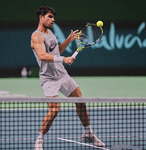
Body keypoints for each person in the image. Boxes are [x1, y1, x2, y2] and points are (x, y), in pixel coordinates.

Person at [31, 5, 105, 150]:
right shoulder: (36, 36)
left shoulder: (50, 32)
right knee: (54, 110)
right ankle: (39, 140)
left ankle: (88, 133)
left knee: (80, 101)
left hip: (62, 74)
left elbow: (56, 51)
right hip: (48, 78)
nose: (53, 19)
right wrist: (64, 59)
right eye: (50, 17)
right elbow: (42, 56)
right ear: (41, 17)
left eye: (53, 17)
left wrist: (68, 40)